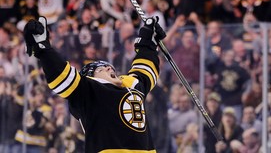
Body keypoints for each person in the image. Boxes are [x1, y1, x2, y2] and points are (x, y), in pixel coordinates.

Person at [23, 16, 166, 152]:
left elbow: (145, 70)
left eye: (111, 68)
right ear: (90, 76)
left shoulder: (131, 85)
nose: (110, 68)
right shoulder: (89, 91)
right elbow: (62, 77)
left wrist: (148, 42)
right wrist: (44, 50)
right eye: (102, 68)